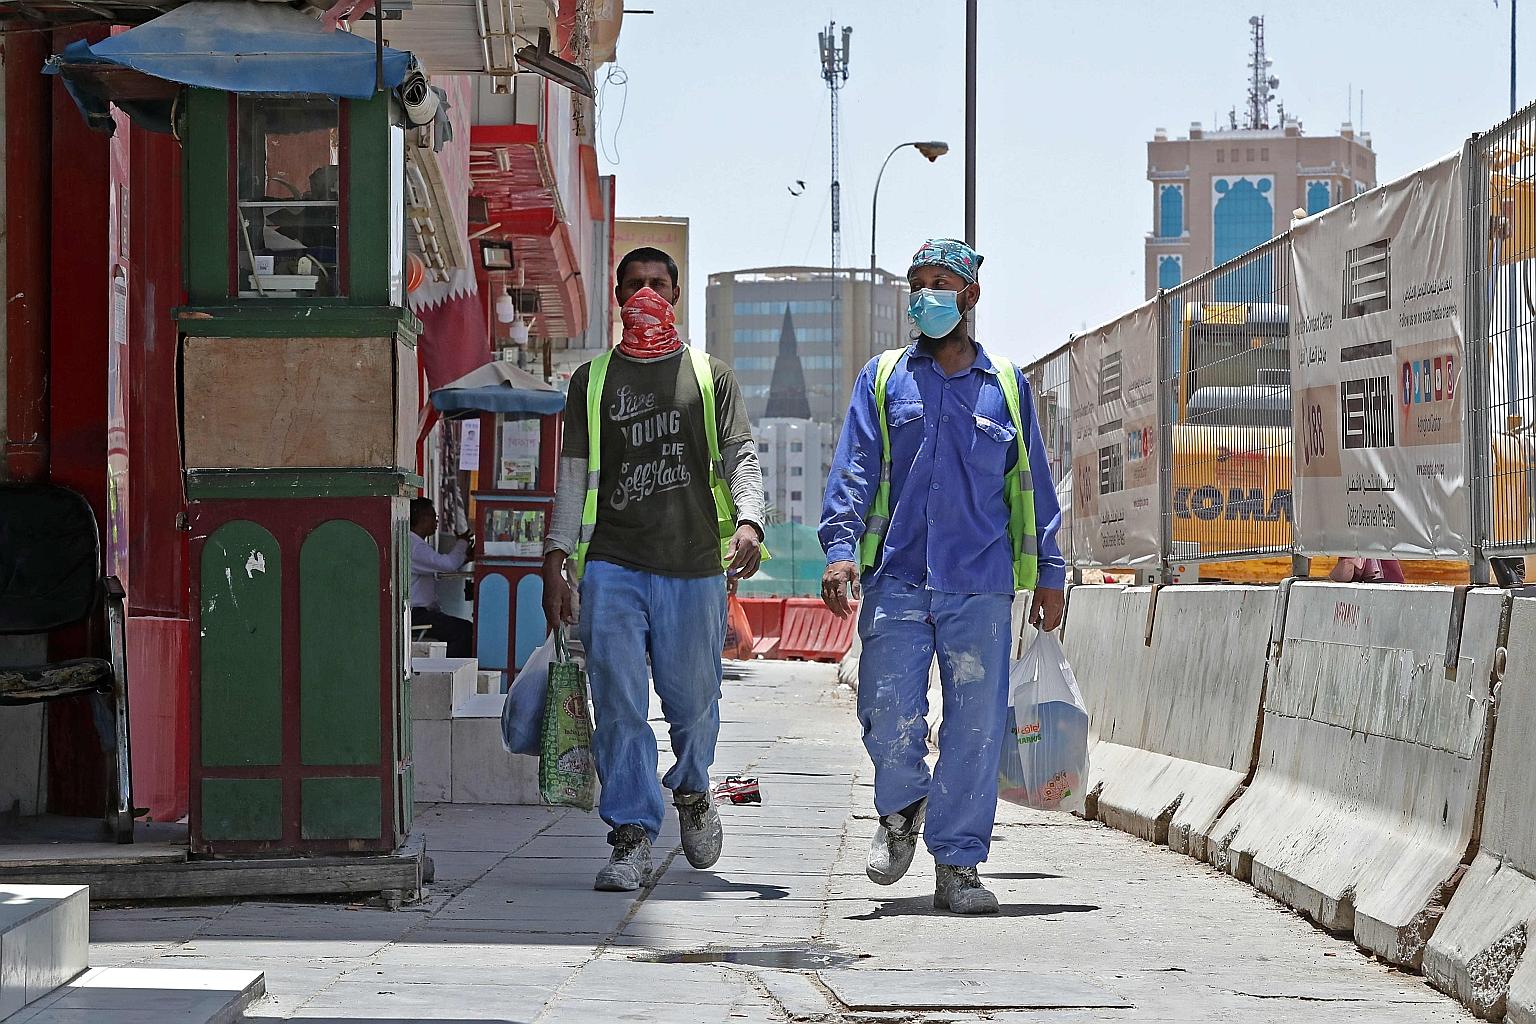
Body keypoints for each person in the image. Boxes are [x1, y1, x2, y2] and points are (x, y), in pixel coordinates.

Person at [819, 238, 1067, 915]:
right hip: (898, 577)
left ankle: (958, 864)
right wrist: (841, 548)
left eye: (939, 284)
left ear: (970, 297)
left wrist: (1050, 570)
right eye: (917, 283)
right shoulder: (883, 378)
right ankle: (901, 808)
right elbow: (854, 470)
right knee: (885, 709)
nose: (926, 296)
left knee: (976, 729)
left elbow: (1034, 485)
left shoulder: (1006, 388)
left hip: (980, 585)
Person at [542, 246, 767, 893]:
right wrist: (556, 556)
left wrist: (750, 521)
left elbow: (740, 455)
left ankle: (694, 791)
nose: (646, 293)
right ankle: (632, 836)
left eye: (657, 284)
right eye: (635, 284)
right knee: (617, 704)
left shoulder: (709, 375)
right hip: (613, 565)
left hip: (693, 568)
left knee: (694, 704)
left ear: (675, 293)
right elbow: (573, 472)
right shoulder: (593, 379)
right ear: (618, 297)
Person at [409, 498, 475, 658]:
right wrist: (462, 542)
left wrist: (465, 558)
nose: (436, 521)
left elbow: (439, 566)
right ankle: (448, 672)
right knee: (464, 632)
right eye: (434, 516)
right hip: (416, 613)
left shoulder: (416, 544)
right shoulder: (415, 547)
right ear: (423, 517)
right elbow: (448, 564)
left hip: (423, 611)